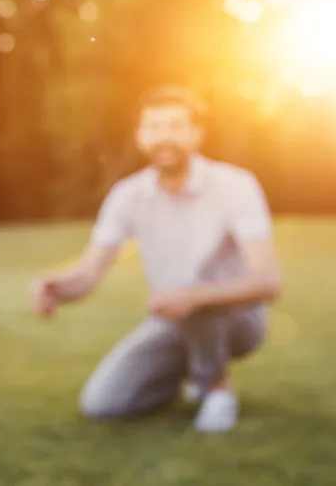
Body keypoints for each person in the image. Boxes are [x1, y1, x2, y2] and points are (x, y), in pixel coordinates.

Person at [30, 86, 281, 433]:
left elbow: (268, 282)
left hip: (239, 321)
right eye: (155, 127)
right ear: (139, 136)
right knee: (103, 405)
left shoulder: (235, 185)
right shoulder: (128, 196)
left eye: (176, 126)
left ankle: (216, 388)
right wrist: (57, 287)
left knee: (194, 296)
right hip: (174, 320)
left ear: (197, 134)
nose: (165, 137)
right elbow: (89, 273)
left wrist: (190, 296)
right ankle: (190, 370)